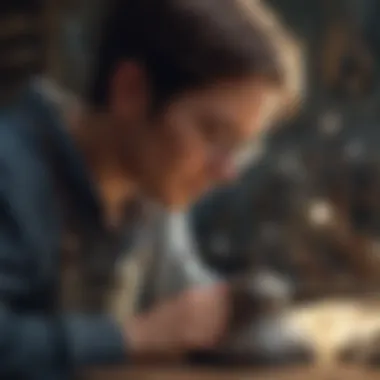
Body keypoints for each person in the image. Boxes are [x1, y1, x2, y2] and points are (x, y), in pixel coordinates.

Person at [0, 0, 300, 378]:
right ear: (131, 90)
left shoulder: (152, 187)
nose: (227, 172)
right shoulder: (11, 171)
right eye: (213, 133)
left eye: (243, 148)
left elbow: (187, 299)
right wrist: (135, 335)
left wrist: (239, 314)